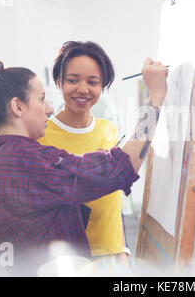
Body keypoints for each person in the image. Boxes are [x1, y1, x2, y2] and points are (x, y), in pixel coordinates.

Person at [0, 51, 168, 275]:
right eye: (41, 99)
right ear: (18, 106)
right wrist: (156, 98)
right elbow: (120, 167)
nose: (49, 108)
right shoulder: (33, 161)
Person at [37, 41, 129, 266]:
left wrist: (121, 251)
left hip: (110, 257)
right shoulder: (41, 136)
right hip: (66, 259)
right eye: (73, 80)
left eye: (93, 82)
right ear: (58, 82)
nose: (83, 89)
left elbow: (112, 203)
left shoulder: (109, 130)